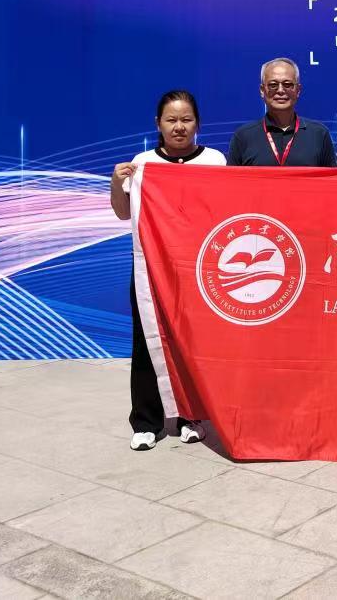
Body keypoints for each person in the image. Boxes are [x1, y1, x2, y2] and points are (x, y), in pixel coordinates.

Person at [110, 89, 226, 451]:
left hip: (197, 270)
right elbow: (124, 213)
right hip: (151, 271)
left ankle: (192, 417)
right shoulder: (142, 163)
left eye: (186, 119)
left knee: (193, 343)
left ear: (198, 123)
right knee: (147, 342)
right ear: (158, 124)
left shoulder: (215, 161)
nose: (179, 127)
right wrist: (116, 182)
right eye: (171, 120)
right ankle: (147, 421)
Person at [227, 58, 337, 167]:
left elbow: (333, 177)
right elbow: (231, 178)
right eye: (273, 85)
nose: (280, 90)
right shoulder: (243, 136)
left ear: (298, 90)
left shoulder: (319, 134)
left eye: (287, 84)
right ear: (262, 90)